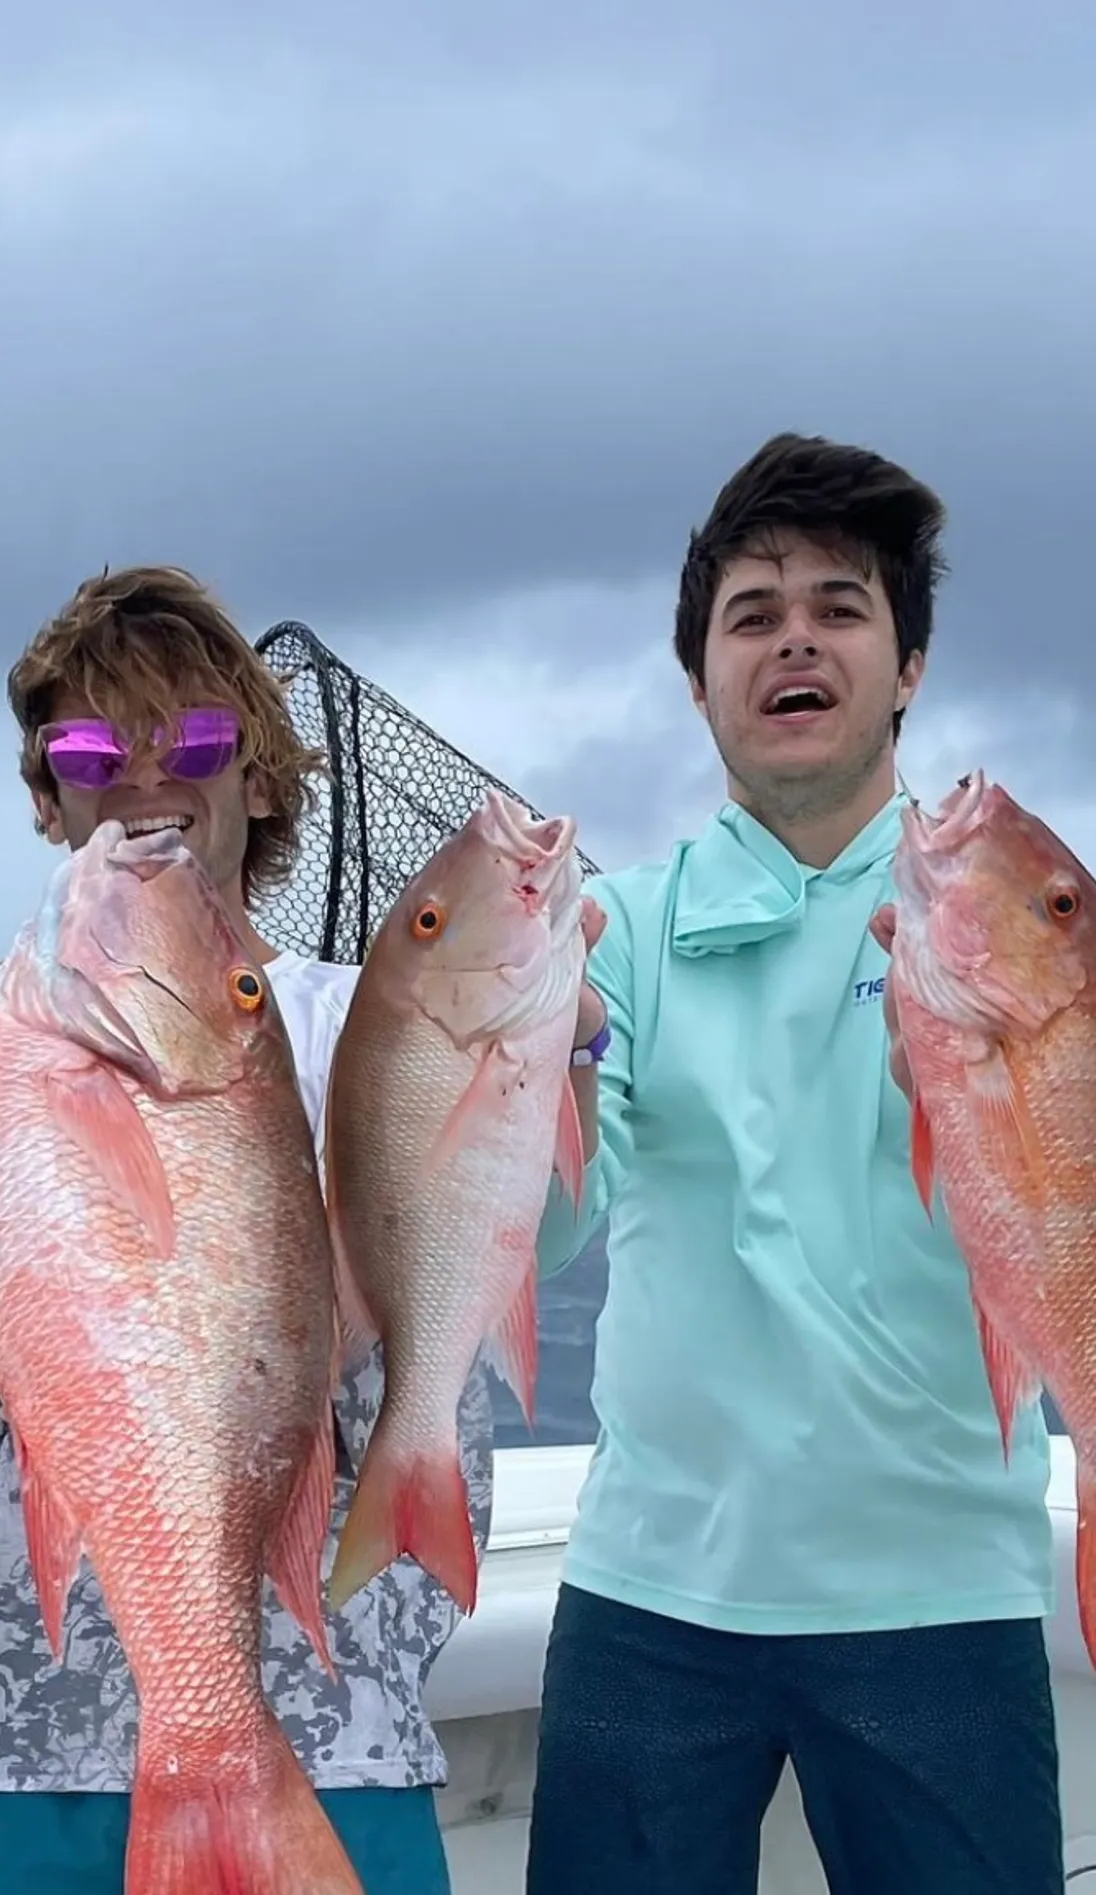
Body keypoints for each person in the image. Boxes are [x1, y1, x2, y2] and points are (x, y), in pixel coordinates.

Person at [0, 564, 490, 1895]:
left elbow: (487, 1265)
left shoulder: (388, 1025)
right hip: (21, 1742)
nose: (148, 778)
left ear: (263, 778)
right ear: (48, 795)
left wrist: (542, 1050)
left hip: (336, 1738)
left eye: (198, 739)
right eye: (95, 748)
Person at [525, 434, 1064, 1893]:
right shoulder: (611, 929)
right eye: (750, 615)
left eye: (841, 605)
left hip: (941, 1584)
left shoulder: (1025, 915)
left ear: (910, 667)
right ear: (698, 677)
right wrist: (542, 1069)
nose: (795, 639)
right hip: (653, 1589)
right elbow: (551, 1232)